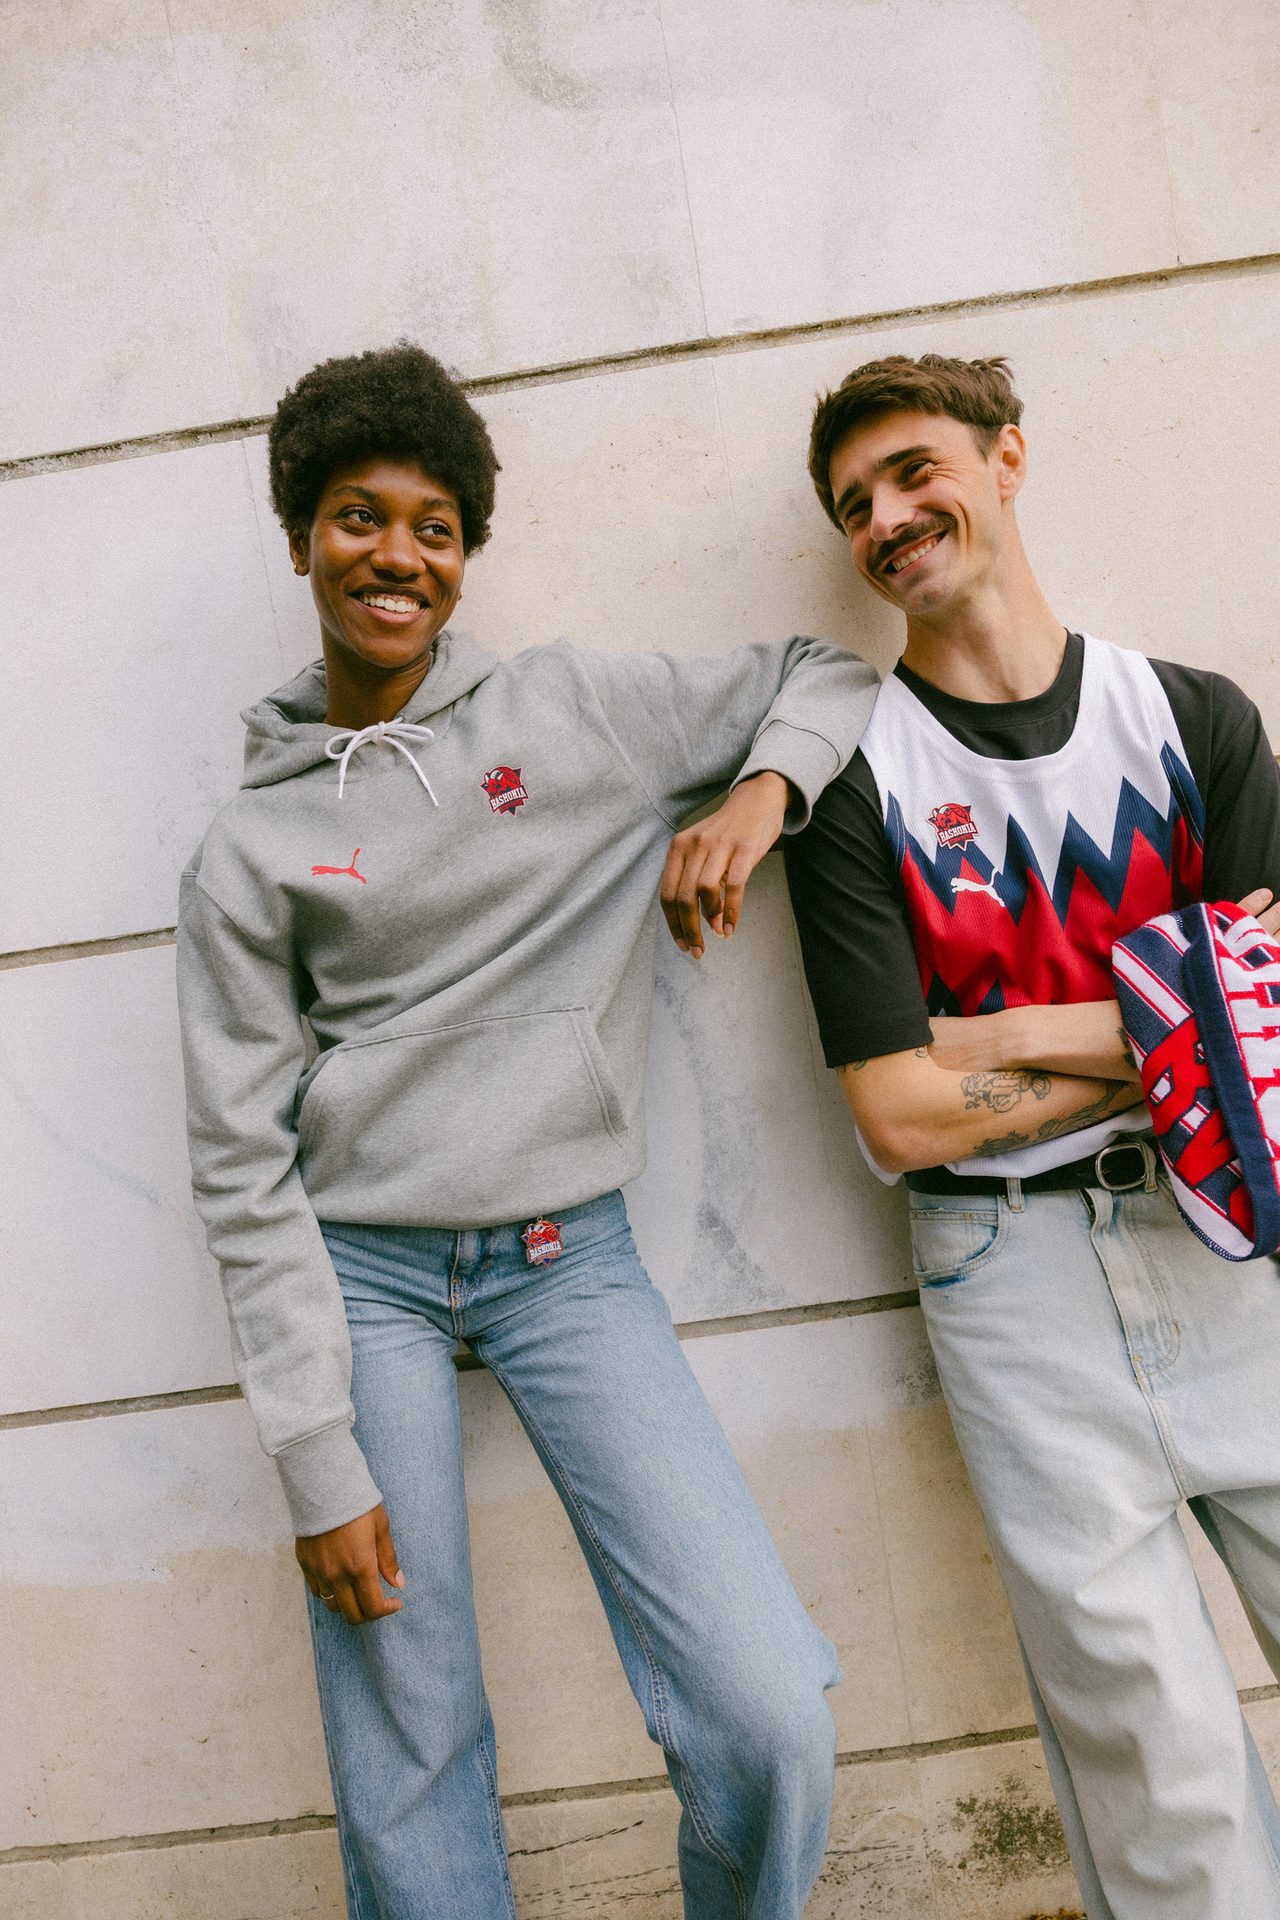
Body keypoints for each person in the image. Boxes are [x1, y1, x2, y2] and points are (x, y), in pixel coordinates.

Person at [176, 342, 878, 1920]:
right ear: (302, 538)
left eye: (434, 526)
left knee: (767, 1708)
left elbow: (827, 673)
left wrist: (760, 797)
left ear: (465, 554)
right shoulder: (252, 844)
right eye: (359, 518)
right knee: (407, 1752)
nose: (397, 556)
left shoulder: (574, 712)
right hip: (363, 1286)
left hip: (571, 1262)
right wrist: (312, 1446)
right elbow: (239, 1159)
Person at [784, 351, 1280, 1919]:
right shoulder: (854, 788)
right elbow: (897, 1109)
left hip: (1230, 1234)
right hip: (1010, 1277)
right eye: (855, 503)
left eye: (915, 470)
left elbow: (1274, 1028)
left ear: (1006, 460)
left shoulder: (1192, 718)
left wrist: (997, 1035)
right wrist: (1175, 1016)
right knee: (1154, 1753)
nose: (888, 516)